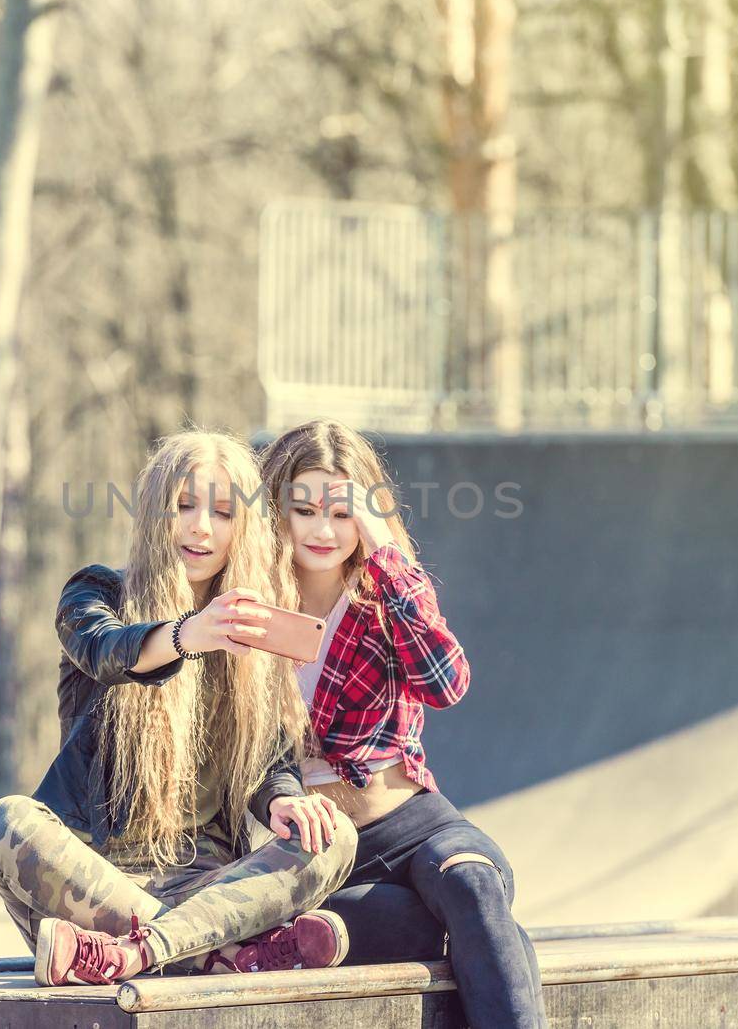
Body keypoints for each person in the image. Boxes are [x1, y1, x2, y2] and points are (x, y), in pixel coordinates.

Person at [0, 429, 356, 986]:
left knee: (334, 837)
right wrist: (191, 634)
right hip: (94, 885)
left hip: (205, 886)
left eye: (223, 512)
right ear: (156, 512)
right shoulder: (95, 594)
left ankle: (136, 953)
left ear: (243, 529)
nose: (201, 525)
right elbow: (104, 650)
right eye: (183, 505)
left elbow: (267, 767)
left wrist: (284, 801)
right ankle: (216, 956)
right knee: (7, 821)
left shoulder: (253, 630)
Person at [258, 418, 547, 1026]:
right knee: (365, 927)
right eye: (305, 509)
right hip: (318, 849)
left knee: (472, 885)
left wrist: (386, 554)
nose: (323, 530)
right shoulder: (251, 608)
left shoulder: (385, 593)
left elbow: (447, 684)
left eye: (341, 513)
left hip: (415, 824)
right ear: (277, 510)